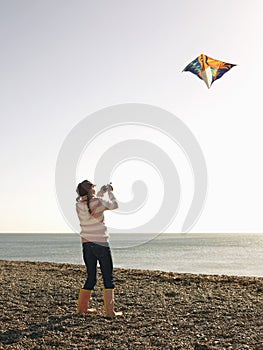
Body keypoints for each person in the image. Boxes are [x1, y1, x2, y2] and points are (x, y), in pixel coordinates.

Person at [76, 179, 122, 317]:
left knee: (91, 277)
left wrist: (102, 191)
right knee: (108, 277)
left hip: (86, 245)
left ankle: (83, 308)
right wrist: (110, 193)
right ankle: (110, 311)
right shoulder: (98, 202)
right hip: (101, 244)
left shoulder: (78, 205)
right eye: (93, 188)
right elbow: (114, 205)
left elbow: (93, 203)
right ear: (90, 190)